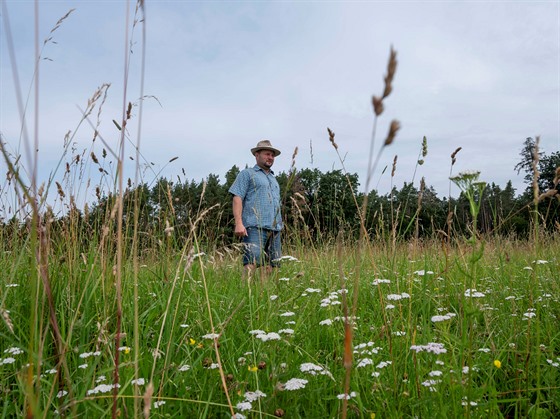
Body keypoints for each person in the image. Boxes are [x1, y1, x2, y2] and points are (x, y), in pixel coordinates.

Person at [229, 140, 283, 277]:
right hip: (255, 226)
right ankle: (244, 293)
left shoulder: (274, 179)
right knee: (251, 263)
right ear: (257, 155)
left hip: (275, 228)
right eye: (267, 154)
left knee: (273, 266)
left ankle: (264, 296)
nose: (270, 157)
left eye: (272, 155)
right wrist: (239, 223)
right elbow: (237, 197)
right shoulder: (247, 174)